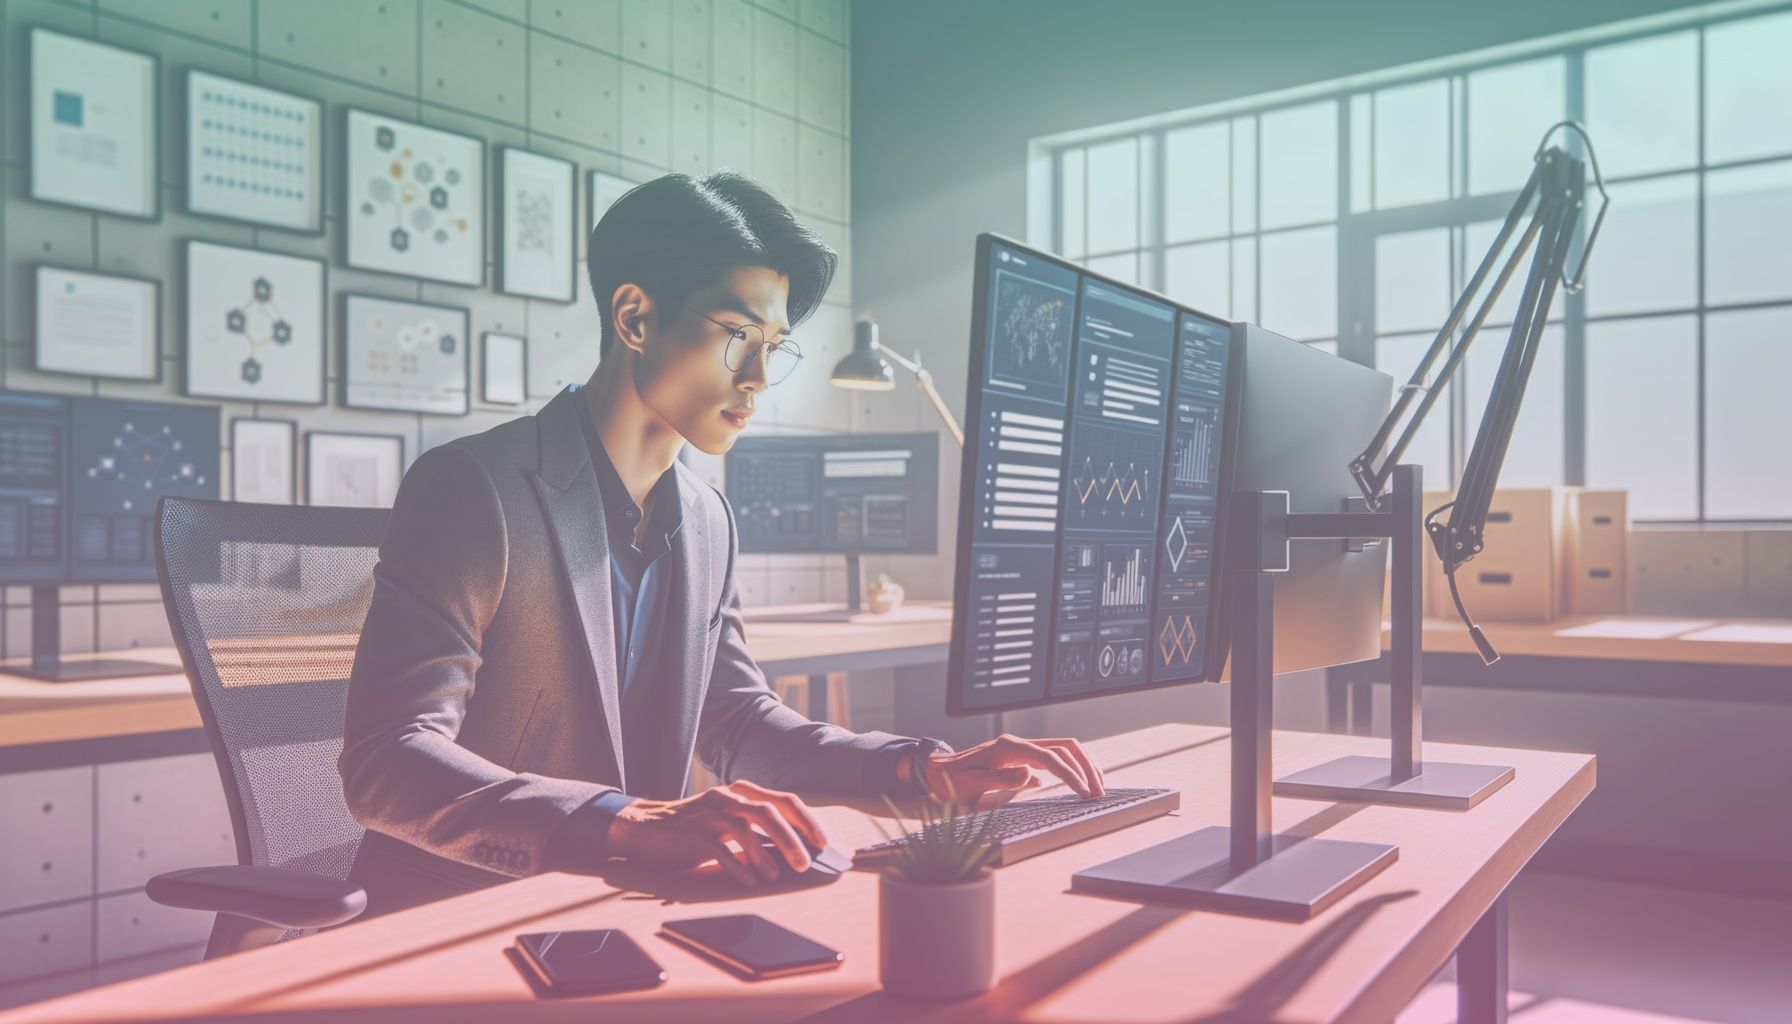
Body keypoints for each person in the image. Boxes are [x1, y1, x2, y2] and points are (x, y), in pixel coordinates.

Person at [338, 171, 1105, 915]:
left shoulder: (707, 519)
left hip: (622, 913)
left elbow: (737, 722)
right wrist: (628, 821)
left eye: (776, 343)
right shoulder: (475, 487)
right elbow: (388, 762)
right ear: (635, 318)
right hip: (457, 921)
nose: (762, 375)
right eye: (739, 336)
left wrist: (923, 770)